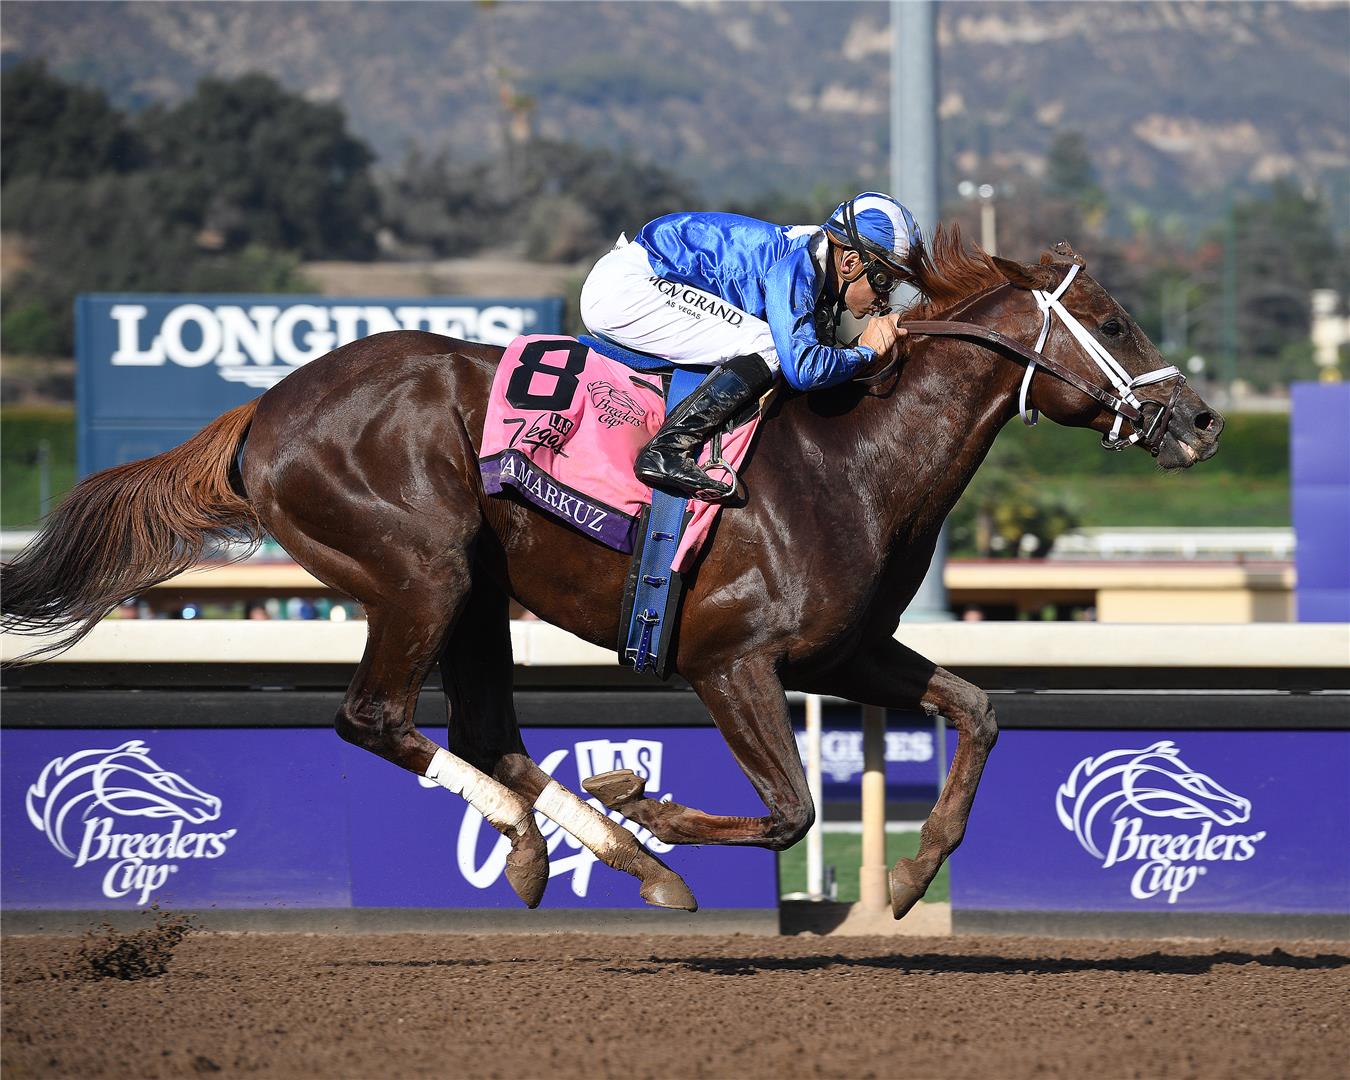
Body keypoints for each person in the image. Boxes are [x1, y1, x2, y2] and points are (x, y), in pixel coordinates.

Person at [579, 192, 921, 502]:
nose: (885, 298)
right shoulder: (798, 265)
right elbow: (802, 369)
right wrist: (866, 351)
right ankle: (666, 449)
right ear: (849, 263)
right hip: (628, 289)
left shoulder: (810, 262)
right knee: (769, 347)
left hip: (641, 280)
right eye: (884, 281)